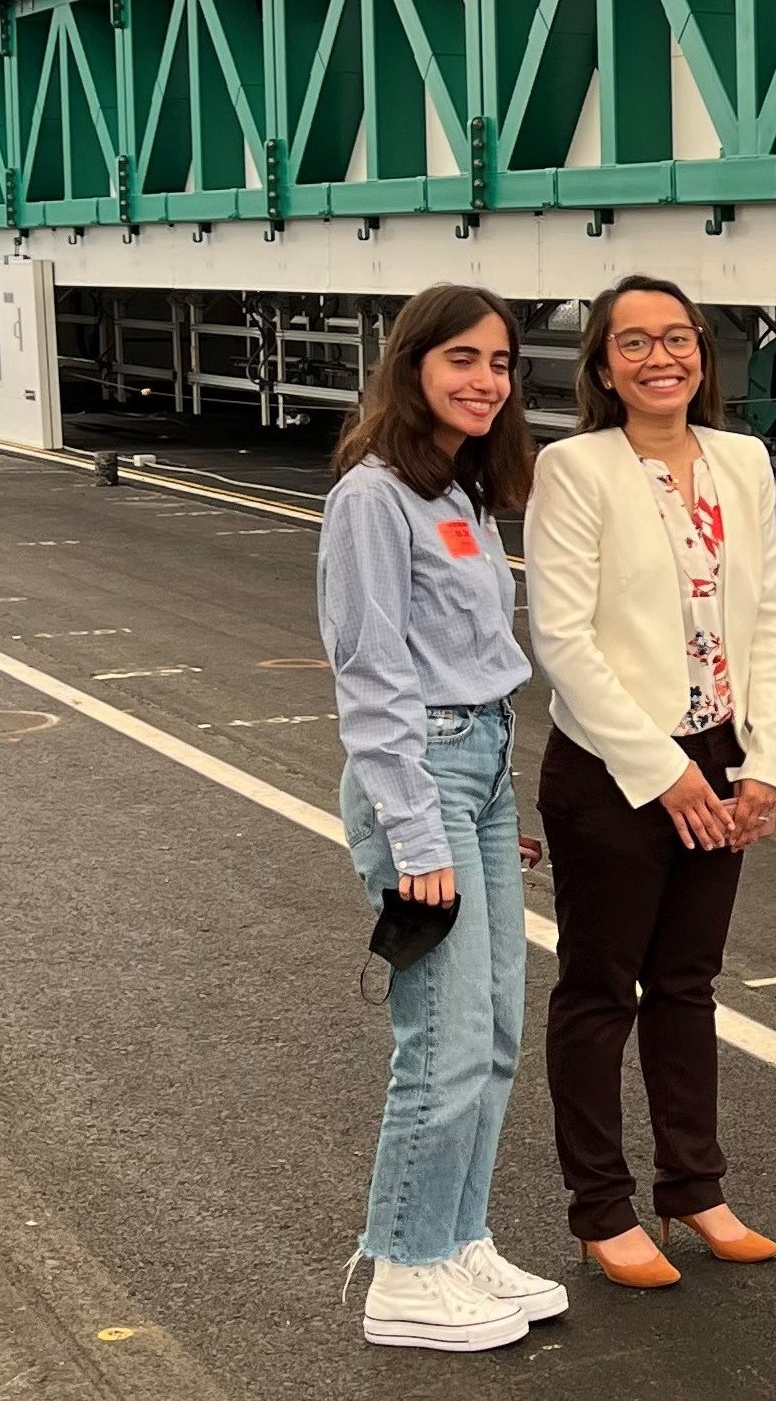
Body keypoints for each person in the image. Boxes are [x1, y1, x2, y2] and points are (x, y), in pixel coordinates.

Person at [529, 275, 776, 1286]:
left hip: (723, 757)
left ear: (703, 353)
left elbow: (772, 615)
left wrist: (762, 763)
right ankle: (602, 1208)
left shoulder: (741, 459)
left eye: (677, 338)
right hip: (610, 773)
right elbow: (561, 636)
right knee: (600, 988)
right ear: (603, 365)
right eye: (634, 343)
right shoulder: (575, 468)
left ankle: (694, 1188)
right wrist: (663, 770)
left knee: (686, 984)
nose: (660, 357)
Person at [319, 283, 566, 1350]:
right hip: (418, 768)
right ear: (411, 362)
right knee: (444, 1040)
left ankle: (456, 1231)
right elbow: (371, 675)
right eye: (462, 357)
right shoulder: (372, 496)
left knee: (497, 1031)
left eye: (502, 363)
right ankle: (404, 1269)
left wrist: (486, 805)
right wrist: (420, 835)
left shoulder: (456, 489)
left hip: (478, 763)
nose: (485, 379)